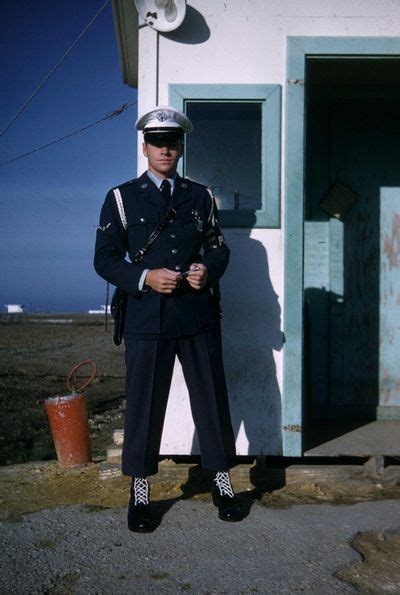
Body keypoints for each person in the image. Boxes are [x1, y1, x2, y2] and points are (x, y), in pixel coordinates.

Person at [94, 105, 241, 532]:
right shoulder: (120, 198)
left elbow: (218, 248)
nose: (165, 149)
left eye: (172, 142)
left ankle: (222, 482)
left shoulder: (200, 196)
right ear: (144, 147)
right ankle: (140, 493)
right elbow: (104, 259)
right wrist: (143, 277)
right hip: (146, 318)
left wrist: (206, 270)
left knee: (211, 401)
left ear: (180, 147)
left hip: (196, 315)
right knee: (144, 406)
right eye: (157, 142)